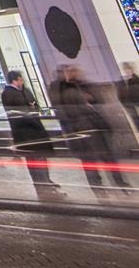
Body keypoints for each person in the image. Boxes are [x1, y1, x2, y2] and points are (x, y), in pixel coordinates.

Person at [49, 65, 131, 194]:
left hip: (95, 128)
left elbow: (96, 101)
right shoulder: (59, 90)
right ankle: (99, 189)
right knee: (90, 163)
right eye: (69, 71)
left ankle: (120, 183)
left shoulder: (79, 85)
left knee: (108, 158)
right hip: (81, 132)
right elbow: (63, 112)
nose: (74, 73)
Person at [1, 71, 65, 197]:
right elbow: (18, 112)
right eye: (20, 79)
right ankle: (43, 186)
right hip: (24, 132)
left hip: (35, 130)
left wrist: (33, 108)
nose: (22, 81)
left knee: (40, 158)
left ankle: (45, 182)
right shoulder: (8, 94)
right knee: (35, 160)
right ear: (15, 80)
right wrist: (30, 110)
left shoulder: (25, 90)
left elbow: (35, 105)